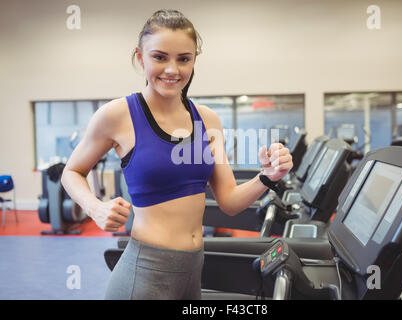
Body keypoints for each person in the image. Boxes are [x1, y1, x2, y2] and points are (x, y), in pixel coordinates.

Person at [61, 9, 293, 300]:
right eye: (160, 57)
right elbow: (71, 172)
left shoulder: (207, 120)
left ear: (194, 60)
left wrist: (267, 177)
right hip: (145, 273)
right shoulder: (118, 115)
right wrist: (94, 207)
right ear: (140, 57)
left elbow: (230, 202)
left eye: (183, 59)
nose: (172, 70)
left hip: (193, 269)